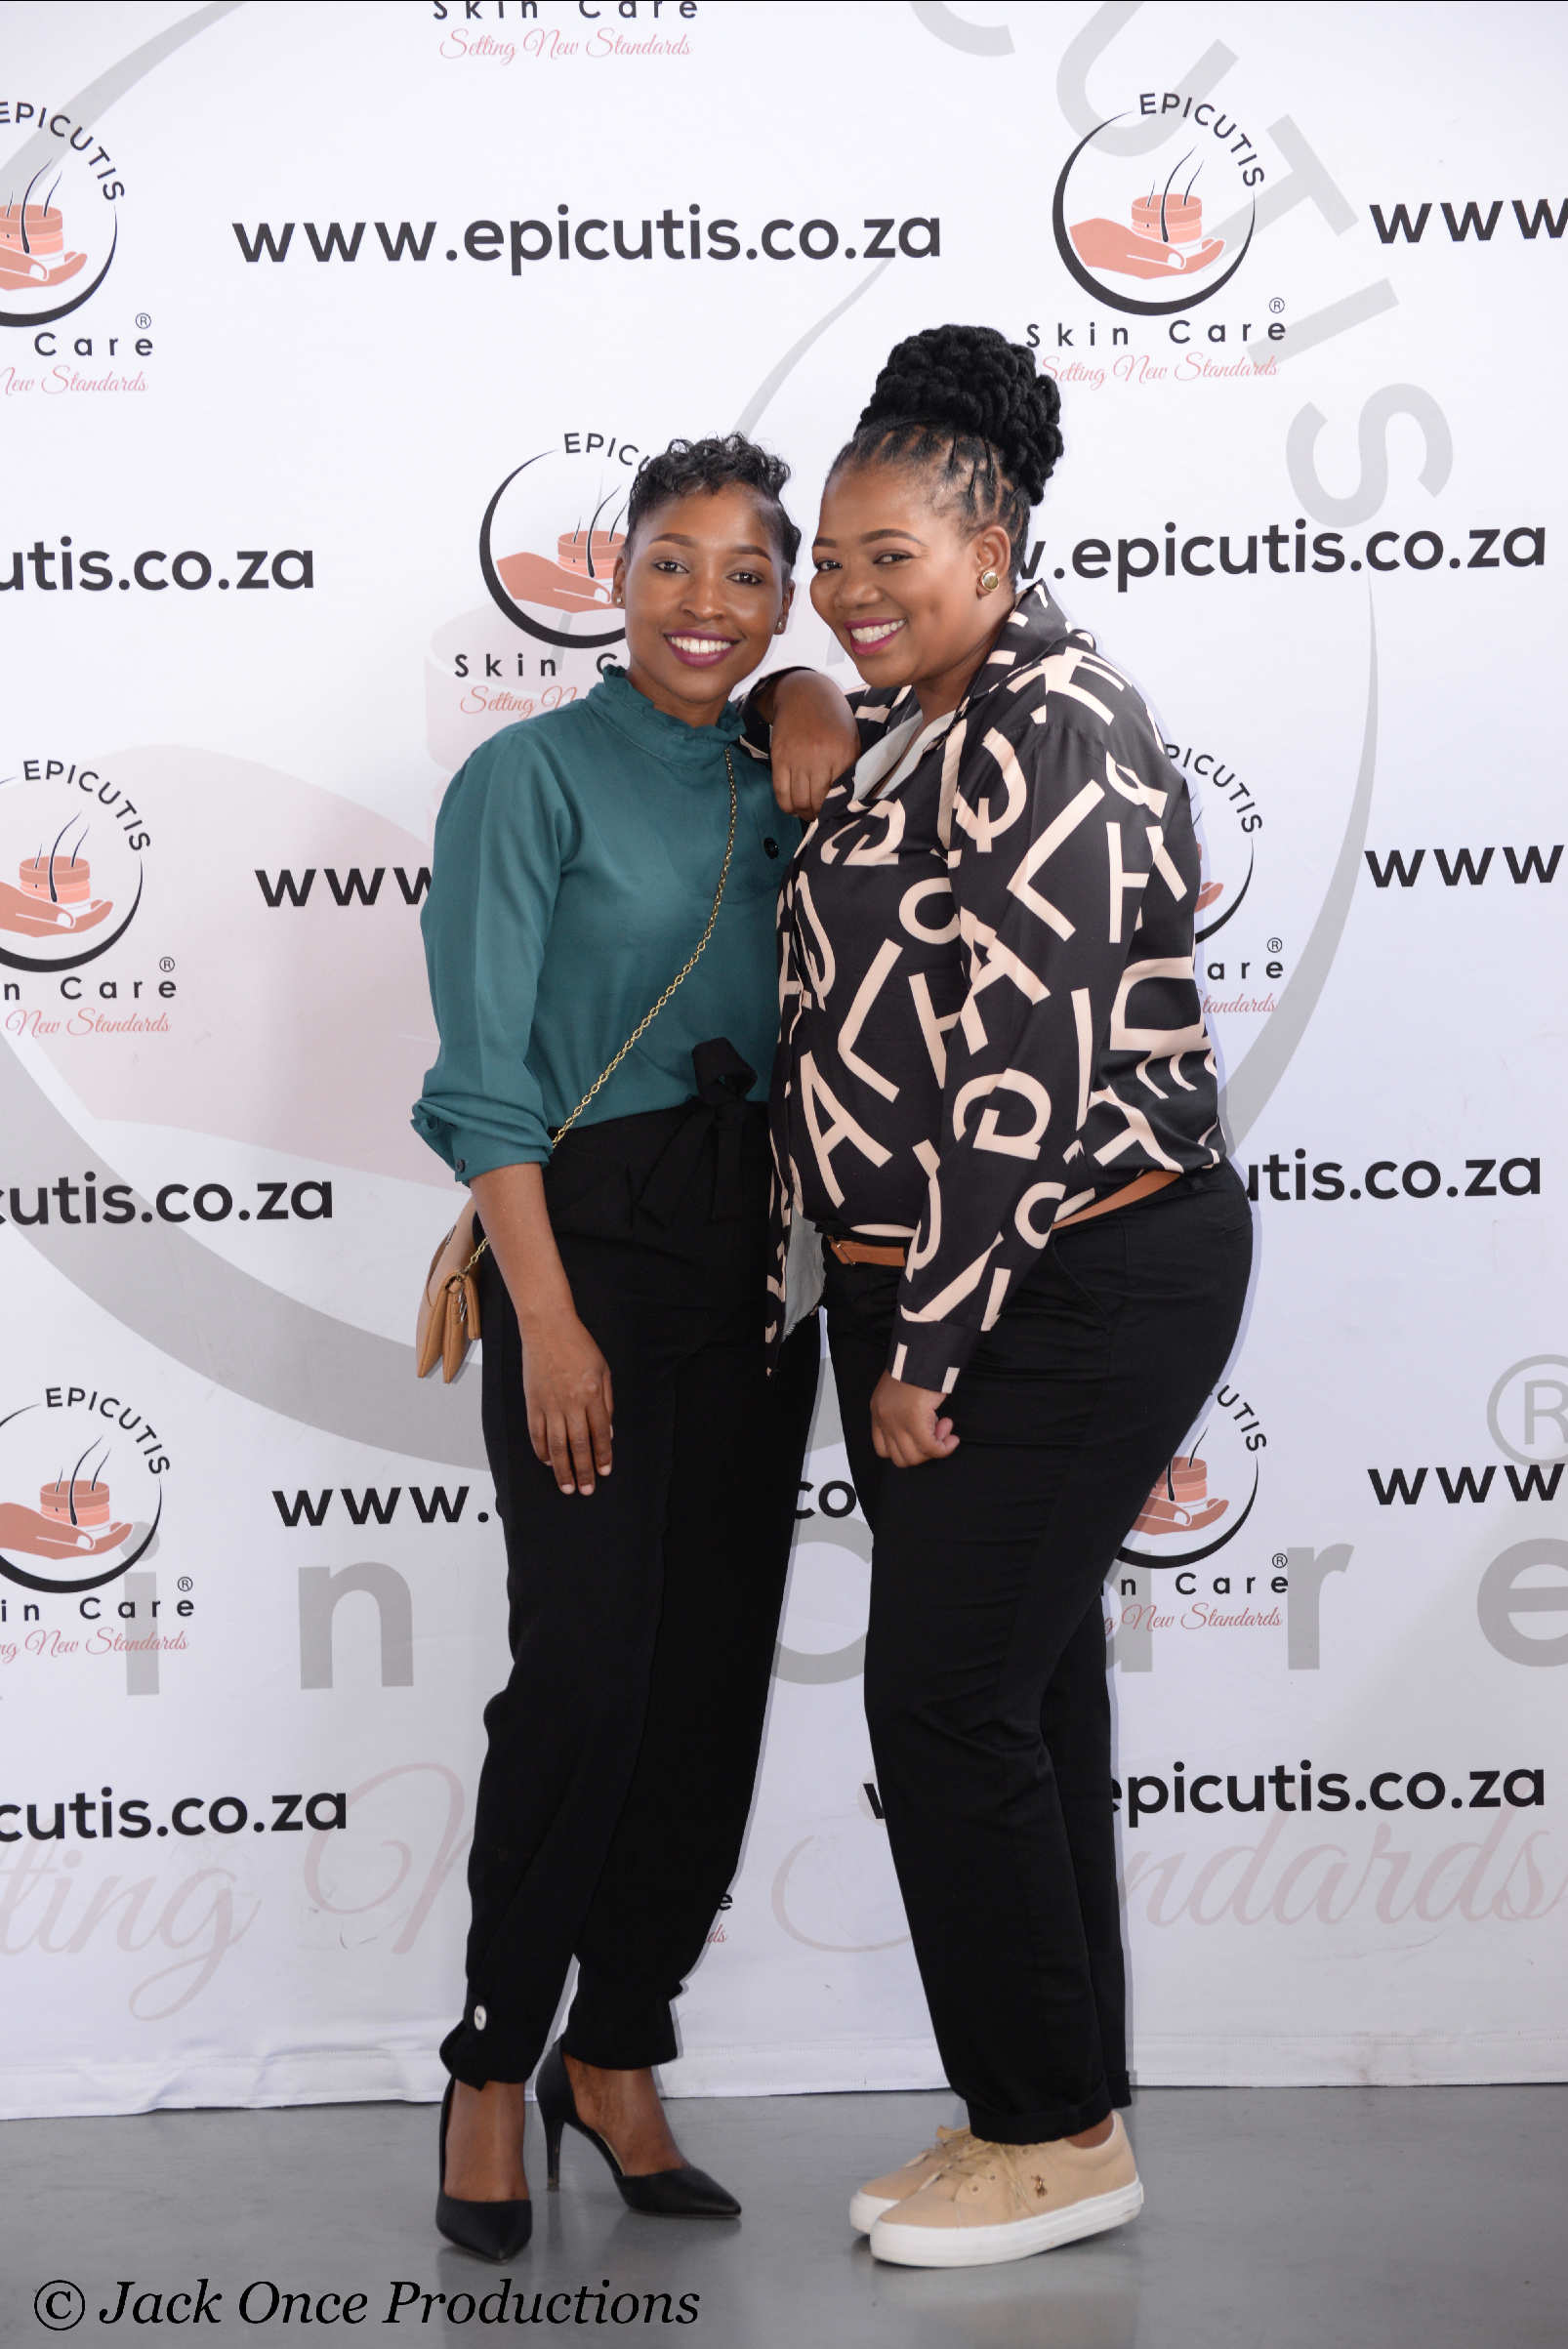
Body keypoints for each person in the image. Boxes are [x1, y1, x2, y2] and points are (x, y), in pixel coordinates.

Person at [753, 325, 1255, 2269]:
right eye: (830, 562)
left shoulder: (1051, 718)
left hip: (1062, 1272)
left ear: (993, 547)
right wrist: (798, 688)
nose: (850, 591)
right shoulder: (924, 713)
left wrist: (927, 1346)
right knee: (1021, 1696)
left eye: (890, 559)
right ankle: (1053, 2108)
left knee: (946, 1696)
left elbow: (1024, 1071)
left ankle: (1045, 2132)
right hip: (950, 1278)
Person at [411, 433, 843, 2260]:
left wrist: (812, 697)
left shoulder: (793, 765)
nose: (705, 603)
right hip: (581, 1257)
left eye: (749, 576)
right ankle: (491, 2061)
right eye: (673, 562)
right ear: (617, 575)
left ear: (784, 596)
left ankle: (619, 2045)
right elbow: (481, 1074)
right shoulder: (524, 778)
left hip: (758, 1267)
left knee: (707, 1684)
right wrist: (550, 1320)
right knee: (584, 1676)